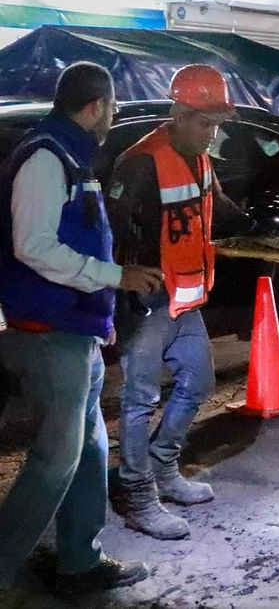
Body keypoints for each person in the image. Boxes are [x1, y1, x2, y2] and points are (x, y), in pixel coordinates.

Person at [0, 63, 161, 595]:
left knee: (89, 452)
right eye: (113, 108)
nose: (114, 117)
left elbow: (86, 238)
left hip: (77, 330)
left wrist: (101, 320)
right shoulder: (46, 158)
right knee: (54, 460)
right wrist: (116, 278)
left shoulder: (72, 156)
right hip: (47, 334)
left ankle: (79, 560)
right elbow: (35, 246)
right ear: (94, 107)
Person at [107, 65, 255, 539]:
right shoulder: (141, 161)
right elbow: (107, 228)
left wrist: (265, 234)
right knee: (139, 400)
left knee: (198, 382)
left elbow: (221, 210)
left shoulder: (200, 161)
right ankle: (137, 493)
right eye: (203, 123)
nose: (211, 134)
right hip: (147, 303)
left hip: (185, 300)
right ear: (178, 112)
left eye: (216, 125)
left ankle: (161, 468)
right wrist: (116, 279)